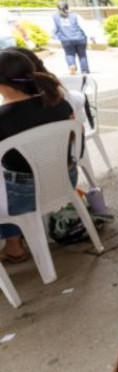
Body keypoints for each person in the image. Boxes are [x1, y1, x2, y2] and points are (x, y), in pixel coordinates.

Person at [0, 50, 76, 263]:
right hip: (67, 180)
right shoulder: (58, 102)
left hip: (25, 196)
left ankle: (13, 245)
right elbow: (72, 140)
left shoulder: (3, 118)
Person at [53, 1, 90, 75]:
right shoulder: (75, 15)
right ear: (68, 6)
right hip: (80, 38)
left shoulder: (55, 16)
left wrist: (55, 37)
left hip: (66, 39)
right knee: (82, 54)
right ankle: (85, 70)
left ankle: (72, 65)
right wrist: (91, 36)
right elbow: (84, 26)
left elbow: (53, 29)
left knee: (69, 54)